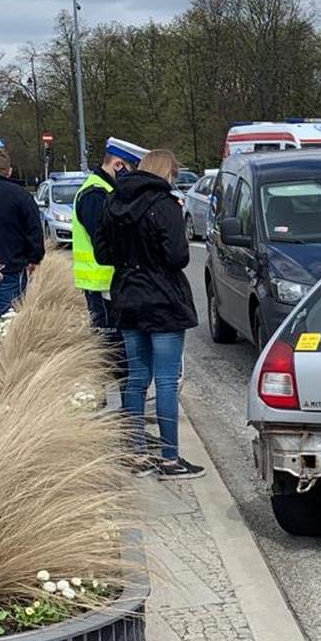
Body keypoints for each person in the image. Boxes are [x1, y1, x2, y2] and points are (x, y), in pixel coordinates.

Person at [95, 149, 203, 480]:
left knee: (136, 377)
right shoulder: (165, 205)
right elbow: (178, 257)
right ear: (167, 172)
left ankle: (136, 453)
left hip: (127, 296)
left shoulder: (112, 204)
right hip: (163, 299)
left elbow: (102, 253)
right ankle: (170, 459)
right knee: (166, 379)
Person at [74, 137, 148, 349]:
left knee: (118, 348)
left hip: (109, 285)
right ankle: (120, 384)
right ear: (118, 165)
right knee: (114, 350)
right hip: (104, 286)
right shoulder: (96, 195)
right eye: (132, 170)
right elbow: (108, 239)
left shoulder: (106, 190)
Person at [0, 148, 44, 315]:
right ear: (9, 172)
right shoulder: (21, 196)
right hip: (11, 268)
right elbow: (34, 230)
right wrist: (34, 258)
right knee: (9, 324)